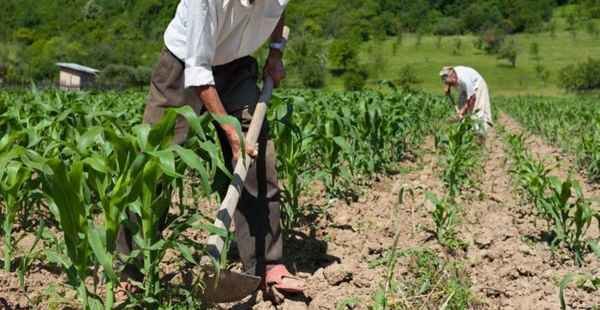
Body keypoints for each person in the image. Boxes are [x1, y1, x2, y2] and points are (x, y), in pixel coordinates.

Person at [116, 0, 305, 302]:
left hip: (237, 65)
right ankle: (128, 269)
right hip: (183, 67)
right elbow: (199, 73)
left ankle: (266, 264)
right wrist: (231, 133)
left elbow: (279, 10)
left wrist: (276, 51)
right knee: (155, 166)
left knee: (257, 158)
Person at [439, 66, 493, 136]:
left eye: (451, 82)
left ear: (453, 75)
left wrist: (462, 111)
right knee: (461, 105)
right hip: (464, 88)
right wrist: (448, 86)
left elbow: (472, 98)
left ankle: (480, 135)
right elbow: (446, 79)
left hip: (477, 86)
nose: (452, 85)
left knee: (477, 112)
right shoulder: (451, 75)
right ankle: (465, 130)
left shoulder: (464, 79)